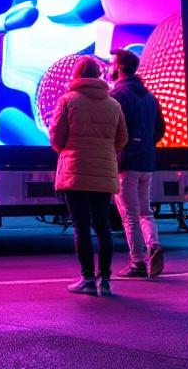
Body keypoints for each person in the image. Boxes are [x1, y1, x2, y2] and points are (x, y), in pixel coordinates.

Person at [51, 57, 127, 296]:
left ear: (77, 75)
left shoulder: (68, 101)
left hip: (75, 170)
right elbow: (122, 139)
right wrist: (106, 151)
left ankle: (86, 279)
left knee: (81, 226)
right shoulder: (113, 104)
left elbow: (56, 137)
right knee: (103, 227)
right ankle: (105, 279)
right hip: (103, 173)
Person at [108, 49, 166, 279]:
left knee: (129, 214)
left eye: (112, 63)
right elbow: (160, 129)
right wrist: (146, 144)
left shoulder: (118, 95)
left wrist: (120, 148)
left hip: (126, 161)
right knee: (145, 212)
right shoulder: (149, 96)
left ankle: (138, 263)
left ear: (120, 67)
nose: (109, 67)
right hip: (146, 160)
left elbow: (112, 128)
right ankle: (154, 245)